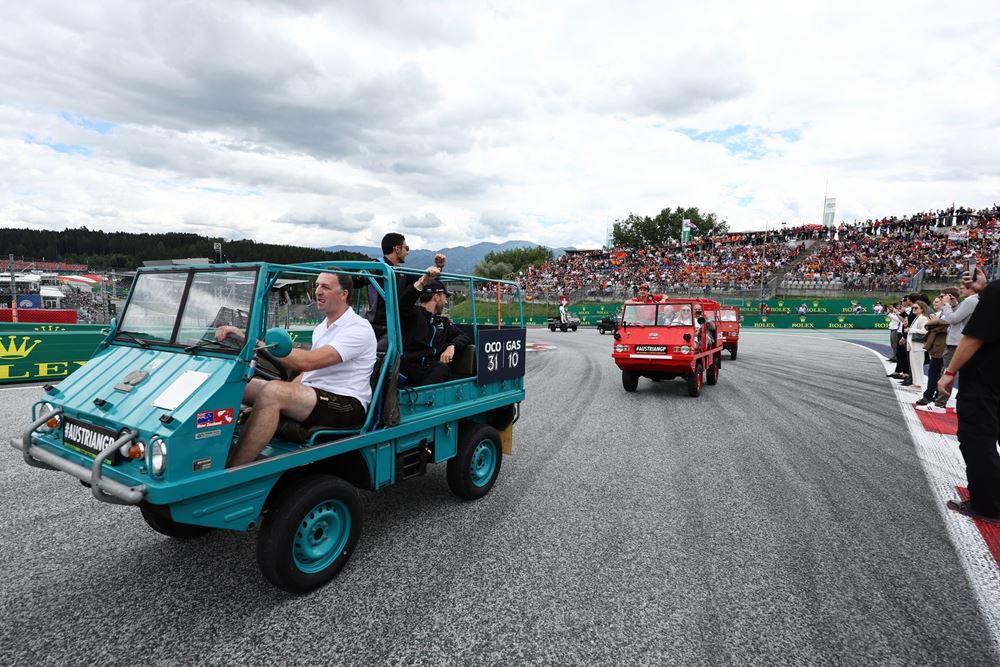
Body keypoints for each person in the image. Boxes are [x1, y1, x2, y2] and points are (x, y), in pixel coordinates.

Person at [219, 272, 377, 467]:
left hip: (346, 403)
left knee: (273, 392)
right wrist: (284, 392)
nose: (318, 291)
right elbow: (309, 374)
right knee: (241, 384)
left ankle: (232, 472)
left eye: (325, 287)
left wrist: (254, 342)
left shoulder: (358, 328)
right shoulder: (322, 328)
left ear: (343, 294)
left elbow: (309, 362)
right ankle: (209, 454)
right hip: (318, 394)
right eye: (317, 286)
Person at [937, 268, 1000, 524]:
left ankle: (987, 504)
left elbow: (974, 336)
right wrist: (984, 289)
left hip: (987, 378)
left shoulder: (997, 292)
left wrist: (950, 371)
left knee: (978, 438)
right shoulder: (993, 292)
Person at [363, 232, 446, 337]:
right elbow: (356, 280)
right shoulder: (377, 266)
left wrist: (438, 268)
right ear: (397, 249)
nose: (408, 252)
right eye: (406, 248)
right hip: (378, 327)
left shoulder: (400, 272)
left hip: (394, 325)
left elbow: (425, 279)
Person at [398, 270, 470, 387]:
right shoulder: (413, 314)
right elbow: (403, 304)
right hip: (410, 366)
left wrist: (452, 346)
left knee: (442, 369)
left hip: (431, 369)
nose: (446, 301)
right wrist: (423, 280)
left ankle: (422, 398)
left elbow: (463, 336)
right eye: (445, 297)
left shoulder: (443, 321)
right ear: (436, 297)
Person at [924, 284, 980, 412]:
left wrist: (948, 305)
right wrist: (953, 305)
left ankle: (940, 403)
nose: (960, 290)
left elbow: (953, 319)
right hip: (958, 340)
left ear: (971, 288)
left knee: (947, 373)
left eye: (963, 287)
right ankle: (959, 403)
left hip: (956, 342)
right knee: (960, 374)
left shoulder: (970, 301)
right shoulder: (970, 301)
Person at [904, 301, 929, 392]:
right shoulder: (918, 318)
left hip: (918, 346)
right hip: (913, 345)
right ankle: (916, 383)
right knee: (914, 366)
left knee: (917, 366)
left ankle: (918, 384)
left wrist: (911, 329)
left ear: (922, 309)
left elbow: (926, 331)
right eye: (913, 308)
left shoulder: (923, 318)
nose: (914, 309)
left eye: (916, 308)